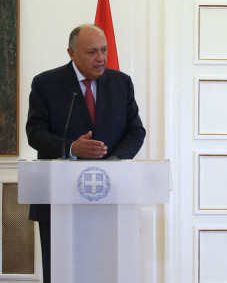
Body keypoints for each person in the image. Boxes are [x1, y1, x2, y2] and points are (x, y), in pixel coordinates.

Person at [25, 24, 146, 283]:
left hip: (109, 194)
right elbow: (34, 132)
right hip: (58, 195)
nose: (101, 58)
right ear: (72, 53)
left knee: (106, 270)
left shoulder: (121, 83)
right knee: (60, 271)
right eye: (92, 52)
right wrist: (70, 148)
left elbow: (136, 132)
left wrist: (112, 163)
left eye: (104, 50)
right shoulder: (46, 83)